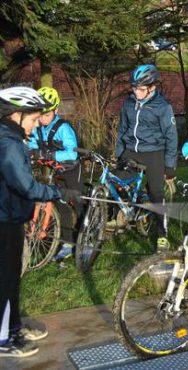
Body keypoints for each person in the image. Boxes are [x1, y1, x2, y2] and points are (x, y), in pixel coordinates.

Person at [0, 86, 75, 358]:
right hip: (4, 219)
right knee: (6, 279)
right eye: (32, 120)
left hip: (10, 215)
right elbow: (26, 187)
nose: (34, 126)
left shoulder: (12, 138)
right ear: (16, 115)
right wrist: (58, 192)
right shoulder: (8, 144)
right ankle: (3, 338)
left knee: (12, 277)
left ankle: (13, 325)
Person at [115, 64, 178, 250]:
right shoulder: (128, 103)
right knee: (118, 183)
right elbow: (122, 129)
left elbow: (171, 136)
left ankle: (162, 233)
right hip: (131, 150)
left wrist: (170, 165)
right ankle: (118, 218)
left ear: (152, 87)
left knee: (156, 193)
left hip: (154, 152)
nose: (136, 92)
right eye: (134, 88)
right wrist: (119, 153)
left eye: (141, 89)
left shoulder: (163, 107)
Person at [28, 86, 83, 261]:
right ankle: (66, 243)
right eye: (40, 114)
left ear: (56, 110)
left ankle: (85, 241)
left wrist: (49, 154)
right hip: (54, 171)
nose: (43, 119)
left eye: (47, 115)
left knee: (78, 204)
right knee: (61, 207)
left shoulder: (63, 128)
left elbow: (72, 153)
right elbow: (32, 145)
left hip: (72, 170)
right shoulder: (37, 127)